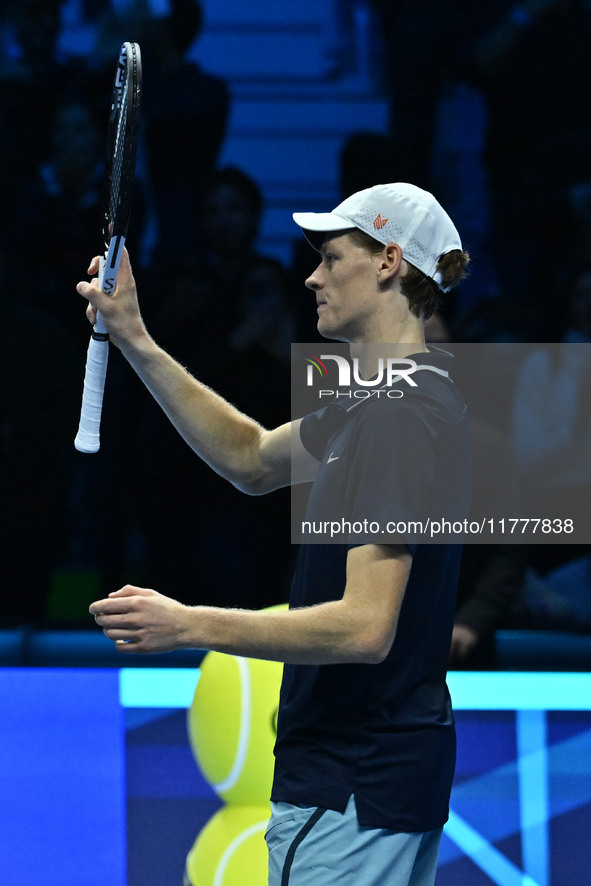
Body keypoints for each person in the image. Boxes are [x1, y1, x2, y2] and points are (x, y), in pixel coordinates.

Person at [82, 182, 471, 885]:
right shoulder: (391, 402)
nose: (311, 275)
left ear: (387, 261)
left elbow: (363, 627)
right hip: (381, 778)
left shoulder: (394, 417)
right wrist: (136, 336)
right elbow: (251, 458)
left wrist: (188, 624)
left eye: (329, 257)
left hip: (349, 782)